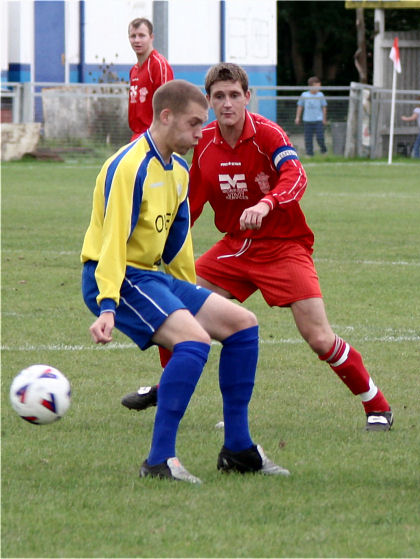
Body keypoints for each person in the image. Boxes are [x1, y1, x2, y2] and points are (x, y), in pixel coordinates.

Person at [121, 63, 393, 432]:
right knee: (175, 303)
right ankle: (168, 387)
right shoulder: (203, 143)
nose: (228, 103)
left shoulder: (268, 134)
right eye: (219, 96)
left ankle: (376, 405)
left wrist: (266, 203)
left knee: (318, 337)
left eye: (235, 95)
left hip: (284, 247)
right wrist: (159, 246)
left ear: (248, 97)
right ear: (209, 102)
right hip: (235, 248)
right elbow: (190, 206)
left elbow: (297, 175)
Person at [81, 79, 288, 483]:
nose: (200, 132)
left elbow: (178, 243)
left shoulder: (177, 169)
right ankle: (160, 460)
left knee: (242, 324)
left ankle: (238, 448)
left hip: (152, 277)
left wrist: (191, 296)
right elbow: (111, 243)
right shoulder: (128, 166)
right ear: (166, 116)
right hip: (117, 276)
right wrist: (107, 305)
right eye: (194, 124)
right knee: (193, 342)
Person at [127, 17, 173, 141]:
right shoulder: (134, 70)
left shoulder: (158, 64)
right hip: (136, 136)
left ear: (151, 37)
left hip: (154, 137)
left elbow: (168, 105)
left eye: (142, 36)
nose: (137, 40)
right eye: (133, 36)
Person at [295, 76, 328, 156]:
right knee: (308, 138)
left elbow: (324, 107)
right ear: (311, 86)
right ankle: (309, 154)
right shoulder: (304, 95)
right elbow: (300, 106)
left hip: (318, 120)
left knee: (320, 137)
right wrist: (297, 117)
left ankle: (324, 151)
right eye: (317, 86)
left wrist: (324, 118)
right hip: (307, 120)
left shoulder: (320, 95)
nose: (319, 88)